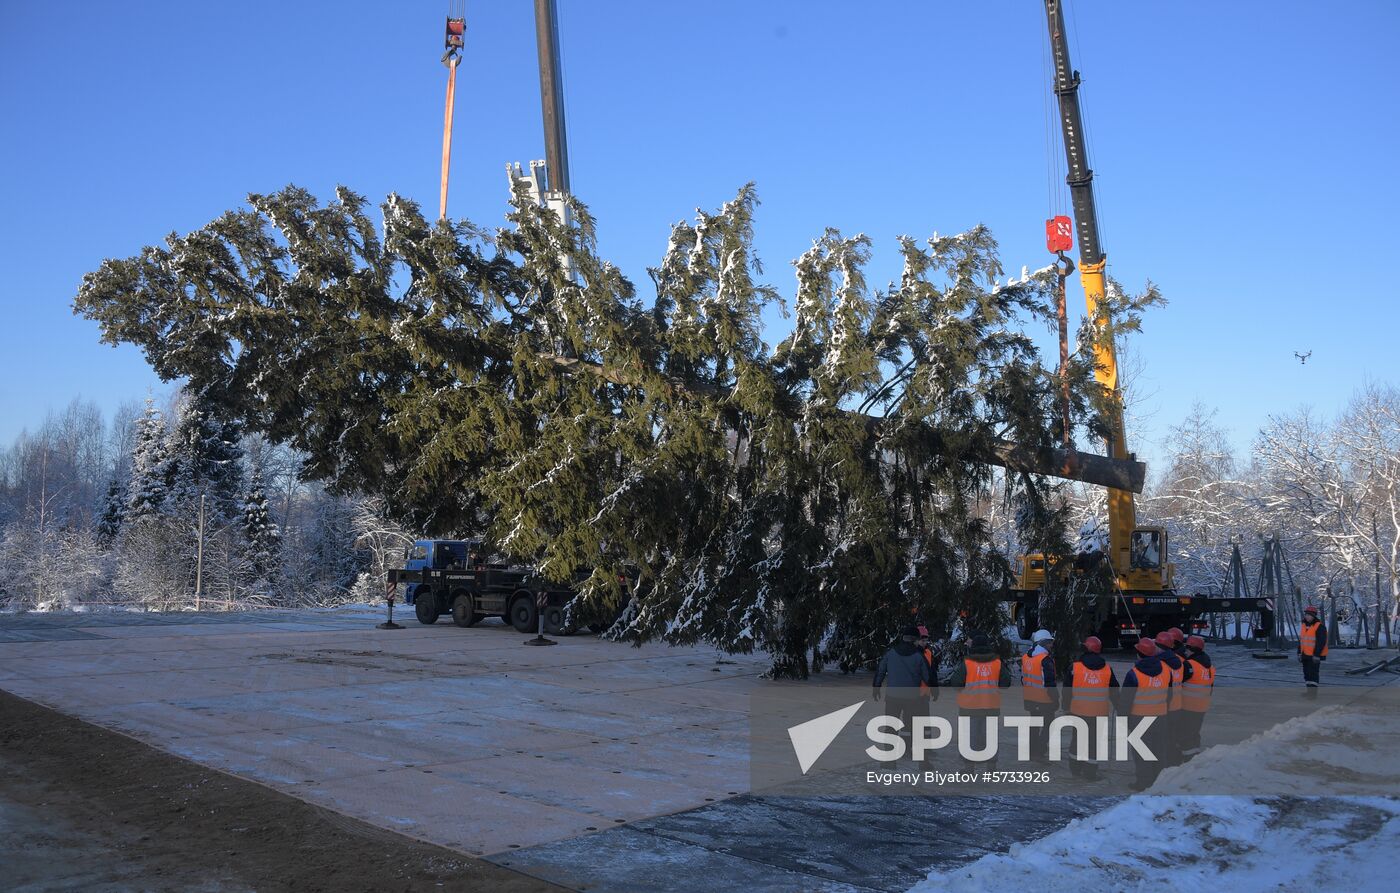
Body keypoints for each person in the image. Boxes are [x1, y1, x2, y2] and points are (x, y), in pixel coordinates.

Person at [874, 625, 937, 761]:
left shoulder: (891, 653)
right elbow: (927, 676)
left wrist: (876, 686)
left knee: (891, 724)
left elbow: (881, 670)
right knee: (909, 725)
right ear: (914, 640)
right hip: (911, 697)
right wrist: (934, 689)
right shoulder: (919, 656)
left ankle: (889, 753)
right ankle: (908, 750)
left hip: (892, 697)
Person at [1117, 637, 1172, 791]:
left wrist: (1123, 720)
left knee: (1142, 753)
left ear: (1139, 654)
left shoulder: (1134, 674)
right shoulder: (1166, 670)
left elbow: (1125, 701)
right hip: (1160, 717)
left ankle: (1143, 782)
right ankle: (1159, 782)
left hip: (1139, 718)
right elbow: (1170, 694)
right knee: (1159, 751)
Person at [950, 633, 1012, 767]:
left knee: (970, 737)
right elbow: (1006, 683)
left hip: (969, 707)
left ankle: (969, 767)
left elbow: (955, 683)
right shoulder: (997, 663)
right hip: (991, 706)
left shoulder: (967, 663)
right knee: (990, 736)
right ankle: (991, 767)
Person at [1063, 635, 1117, 779]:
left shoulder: (1075, 668)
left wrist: (1065, 707)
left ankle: (1075, 769)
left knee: (1077, 740)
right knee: (1094, 743)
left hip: (1078, 711)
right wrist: (1120, 706)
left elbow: (1067, 690)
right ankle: (1090, 772)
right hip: (1099, 713)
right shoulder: (1107, 669)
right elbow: (1114, 690)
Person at [1020, 629, 1058, 761]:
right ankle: (1040, 749)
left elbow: (1023, 679)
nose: (1051, 645)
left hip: (1030, 699)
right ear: (1043, 643)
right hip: (1044, 700)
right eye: (1049, 642)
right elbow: (1049, 683)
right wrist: (1055, 699)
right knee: (1049, 724)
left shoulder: (1026, 658)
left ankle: (1032, 751)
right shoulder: (1045, 660)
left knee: (1034, 725)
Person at [1154, 630, 1189, 764]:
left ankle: (1164, 765)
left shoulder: (1160, 665)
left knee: (1162, 738)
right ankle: (1174, 762)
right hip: (1177, 705)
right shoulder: (1179, 661)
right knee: (1172, 736)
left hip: (1164, 706)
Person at [1179, 635, 1214, 755]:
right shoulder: (1209, 666)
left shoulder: (1189, 665)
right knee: (1194, 732)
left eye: (1187, 648)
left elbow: (1178, 682)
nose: (1185, 651)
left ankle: (1188, 759)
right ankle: (1195, 757)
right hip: (1202, 706)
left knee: (1186, 733)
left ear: (1191, 649)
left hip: (1188, 706)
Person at [1298, 605, 1329, 694]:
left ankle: (1312, 694)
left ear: (1313, 616)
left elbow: (1321, 642)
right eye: (1306, 614)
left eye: (1309, 615)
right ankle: (1309, 692)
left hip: (1313, 656)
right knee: (1307, 674)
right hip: (1305, 655)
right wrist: (1299, 653)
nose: (1307, 616)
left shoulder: (1319, 627)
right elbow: (1301, 641)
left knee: (1313, 674)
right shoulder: (1304, 626)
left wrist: (1316, 655)